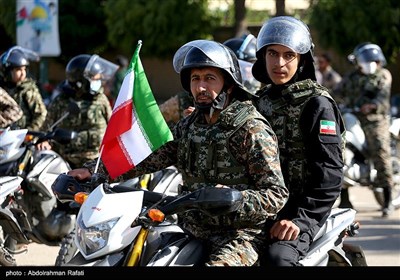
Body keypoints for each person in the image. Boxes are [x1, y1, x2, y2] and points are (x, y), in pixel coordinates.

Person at [68, 39, 289, 266]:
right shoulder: (190, 125)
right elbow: (149, 156)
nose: (201, 87)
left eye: (210, 79)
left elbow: (276, 193)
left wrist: (236, 199)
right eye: (195, 79)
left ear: (229, 85)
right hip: (189, 227)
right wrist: (94, 170)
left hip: (237, 235)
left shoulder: (250, 128)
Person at [251, 16, 345, 266]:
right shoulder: (259, 101)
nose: (279, 63)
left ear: (302, 59)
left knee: (277, 259)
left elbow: (330, 174)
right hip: (257, 211)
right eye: (272, 53)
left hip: (299, 213)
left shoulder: (317, 104)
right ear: (262, 56)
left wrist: (300, 220)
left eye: (288, 55)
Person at [334, 42, 394, 217]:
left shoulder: (383, 75)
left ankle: (388, 199)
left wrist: (372, 105)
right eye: (366, 60)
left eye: (373, 59)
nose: (370, 63)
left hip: (375, 120)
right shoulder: (351, 77)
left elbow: (383, 96)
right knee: (339, 151)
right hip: (351, 117)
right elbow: (336, 92)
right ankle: (345, 199)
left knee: (380, 151)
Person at [38, 54, 118, 169]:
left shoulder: (101, 99)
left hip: (95, 162)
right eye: (95, 78)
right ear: (81, 81)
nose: (100, 79)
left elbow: (113, 128)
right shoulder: (61, 101)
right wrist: (44, 141)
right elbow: (46, 129)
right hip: (64, 163)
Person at [0, 46, 47, 131]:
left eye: (24, 69)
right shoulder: (2, 89)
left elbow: (41, 114)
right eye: (18, 70)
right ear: (7, 71)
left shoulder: (27, 89)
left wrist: (30, 132)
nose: (23, 73)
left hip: (24, 137)